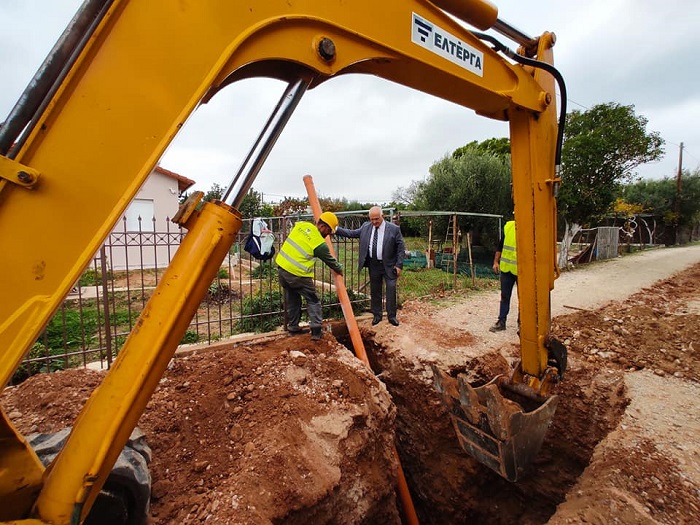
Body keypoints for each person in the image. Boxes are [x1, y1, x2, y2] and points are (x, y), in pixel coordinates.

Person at [275, 211, 343, 340]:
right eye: (328, 231)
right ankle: (316, 332)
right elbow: (331, 262)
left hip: (282, 269)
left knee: (293, 298)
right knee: (313, 300)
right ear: (322, 226)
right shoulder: (319, 244)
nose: (328, 235)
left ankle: (293, 328)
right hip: (297, 274)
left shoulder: (301, 225)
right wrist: (340, 269)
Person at [335, 206, 405, 326]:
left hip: (389, 265)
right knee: (375, 290)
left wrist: (399, 265)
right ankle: (377, 315)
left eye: (376, 219)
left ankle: (391, 316)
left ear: (382, 216)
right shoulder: (366, 227)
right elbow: (351, 233)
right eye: (372, 219)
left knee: (391, 290)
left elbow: (400, 248)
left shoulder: (394, 229)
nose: (374, 222)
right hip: (374, 265)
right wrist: (336, 229)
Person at [489, 219, 518, 332]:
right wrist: (496, 262)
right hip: (506, 269)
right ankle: (501, 321)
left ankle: (523, 323)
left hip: (523, 271)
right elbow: (500, 246)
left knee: (525, 299)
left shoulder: (531, 229)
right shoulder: (509, 227)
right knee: (505, 296)